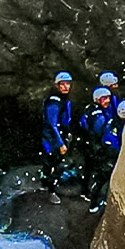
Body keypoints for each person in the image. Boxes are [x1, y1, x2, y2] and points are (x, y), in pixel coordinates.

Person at [78, 87, 116, 210]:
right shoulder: (99, 116)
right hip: (95, 146)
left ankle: (84, 191)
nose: (107, 101)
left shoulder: (89, 109)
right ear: (97, 100)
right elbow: (100, 132)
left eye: (108, 98)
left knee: (88, 169)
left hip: (87, 144)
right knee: (99, 172)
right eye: (104, 98)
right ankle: (94, 199)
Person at [40, 72, 74, 204]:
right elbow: (52, 124)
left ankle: (45, 182)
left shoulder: (63, 100)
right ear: (57, 85)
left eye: (68, 84)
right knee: (55, 164)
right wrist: (60, 144)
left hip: (58, 136)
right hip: (51, 139)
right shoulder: (54, 102)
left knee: (52, 162)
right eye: (62, 84)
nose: (66, 87)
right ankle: (51, 191)